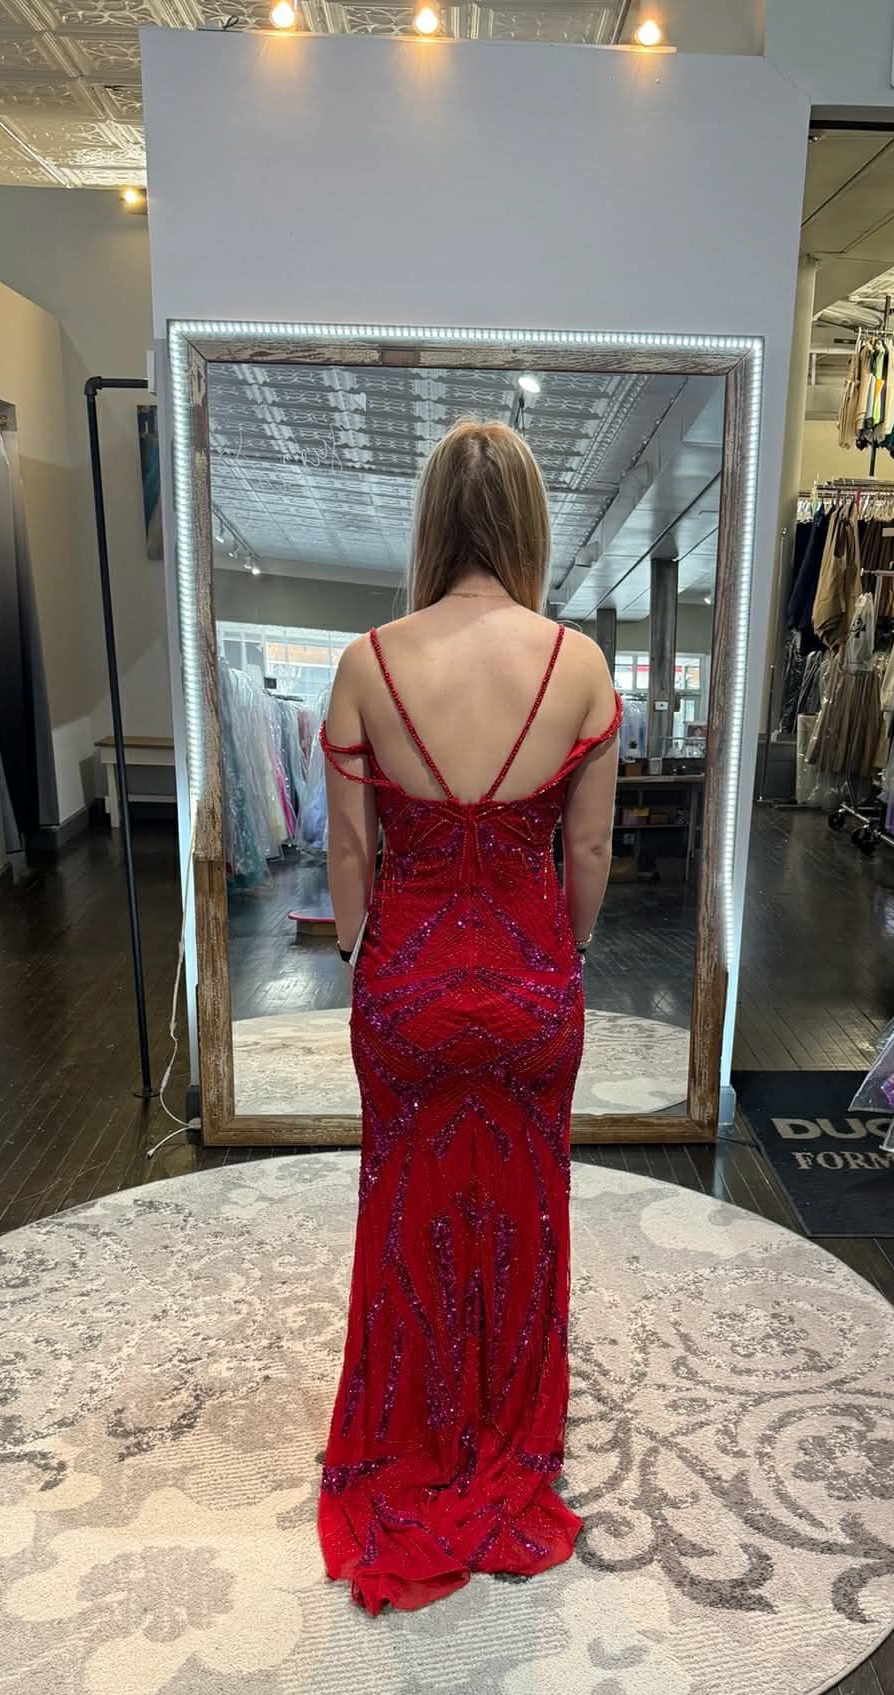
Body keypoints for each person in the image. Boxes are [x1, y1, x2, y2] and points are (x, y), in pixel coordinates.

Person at [317, 417, 621, 1615]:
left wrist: (362, 950)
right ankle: (504, 1429)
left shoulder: (365, 663)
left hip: (405, 983)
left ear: (432, 524)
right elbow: (587, 847)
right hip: (532, 980)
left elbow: (350, 849)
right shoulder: (581, 666)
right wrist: (565, 947)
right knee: (522, 1207)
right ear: (531, 528)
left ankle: (412, 1428)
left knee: (406, 1205)